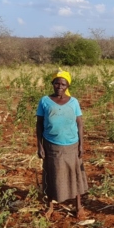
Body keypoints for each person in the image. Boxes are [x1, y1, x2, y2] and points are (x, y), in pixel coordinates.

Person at [36, 69, 89, 219]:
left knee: (75, 174)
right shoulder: (44, 101)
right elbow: (39, 125)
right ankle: (50, 206)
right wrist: (39, 146)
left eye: (63, 84)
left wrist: (81, 146)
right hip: (51, 145)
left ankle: (79, 207)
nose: (59, 87)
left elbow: (79, 124)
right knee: (51, 175)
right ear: (52, 84)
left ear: (67, 86)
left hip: (72, 145)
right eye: (57, 83)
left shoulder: (74, 102)